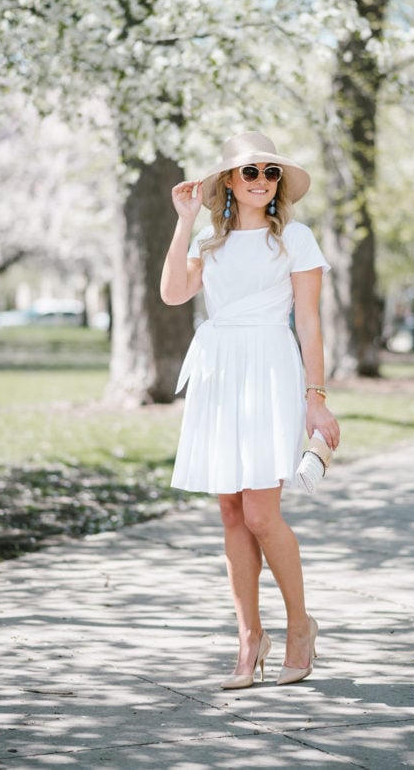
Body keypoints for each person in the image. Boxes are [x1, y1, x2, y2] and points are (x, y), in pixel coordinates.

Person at [160, 131, 340, 689]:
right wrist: (184, 222)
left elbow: (308, 321)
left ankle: (299, 626)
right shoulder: (208, 241)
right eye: (250, 171)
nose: (262, 180)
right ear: (229, 181)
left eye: (270, 171)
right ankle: (248, 637)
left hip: (269, 369)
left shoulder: (296, 239)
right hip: (219, 372)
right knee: (232, 514)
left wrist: (316, 398)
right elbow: (172, 293)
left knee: (262, 514)